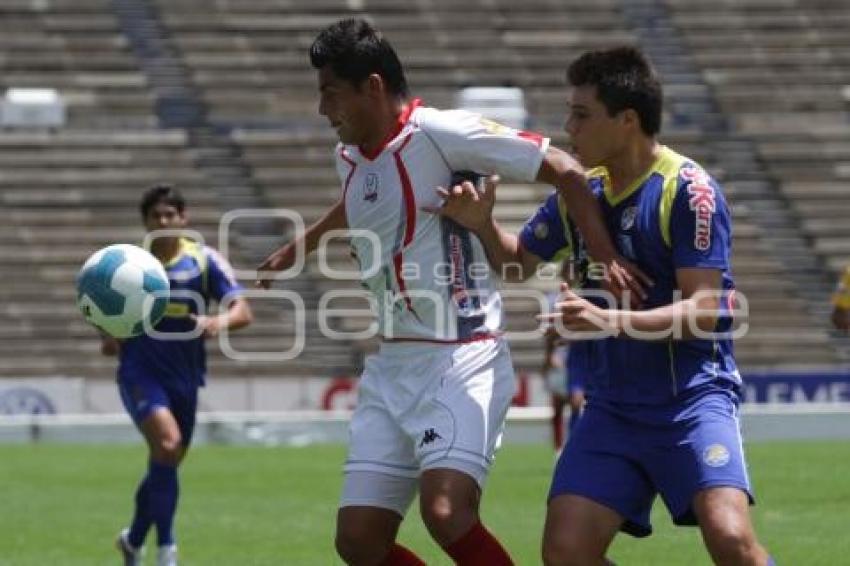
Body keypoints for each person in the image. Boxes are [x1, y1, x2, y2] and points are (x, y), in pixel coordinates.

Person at [255, 18, 643, 566]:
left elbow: (564, 169)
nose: (323, 110)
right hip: (392, 364)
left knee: (446, 513)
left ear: (372, 86)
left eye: (329, 93)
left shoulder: (442, 133)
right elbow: (366, 196)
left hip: (462, 355)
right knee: (359, 542)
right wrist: (307, 241)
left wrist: (605, 256)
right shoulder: (348, 156)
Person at [433, 47, 776, 565]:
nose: (568, 128)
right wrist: (481, 224)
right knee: (565, 554)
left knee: (731, 541)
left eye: (581, 114)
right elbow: (517, 264)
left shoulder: (688, 191)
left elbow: (709, 310)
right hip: (612, 410)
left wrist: (609, 319)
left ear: (627, 120)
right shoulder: (581, 192)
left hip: (691, 402)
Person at [102, 185, 253, 566]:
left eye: (171, 215)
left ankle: (133, 540)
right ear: (146, 222)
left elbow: (243, 311)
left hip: (185, 377)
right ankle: (166, 549)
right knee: (167, 446)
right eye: (156, 216)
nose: (164, 222)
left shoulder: (204, 260)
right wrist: (107, 334)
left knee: (165, 460)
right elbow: (99, 306)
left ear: (184, 219)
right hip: (140, 372)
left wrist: (219, 320)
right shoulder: (130, 266)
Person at [541, 261, 586, 452]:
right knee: (558, 404)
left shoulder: (587, 295)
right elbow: (550, 332)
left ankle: (574, 446)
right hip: (561, 356)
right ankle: (558, 449)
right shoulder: (553, 299)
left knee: (577, 402)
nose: (570, 273)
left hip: (582, 356)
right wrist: (549, 356)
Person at [831, 265, 850, 331]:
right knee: (836, 316)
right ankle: (841, 328)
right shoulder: (845, 274)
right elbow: (840, 288)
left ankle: (844, 329)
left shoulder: (847, 273)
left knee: (844, 315)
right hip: (841, 301)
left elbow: (841, 287)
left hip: (845, 301)